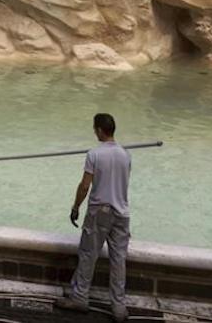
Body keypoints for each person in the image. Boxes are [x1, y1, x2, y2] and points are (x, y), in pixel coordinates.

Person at [56, 113, 131, 322]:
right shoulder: (126, 155)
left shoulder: (94, 154)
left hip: (100, 211)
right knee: (119, 259)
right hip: (122, 213)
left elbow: (85, 186)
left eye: (94, 129)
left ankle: (80, 297)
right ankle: (118, 307)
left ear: (99, 130)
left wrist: (75, 207)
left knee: (88, 254)